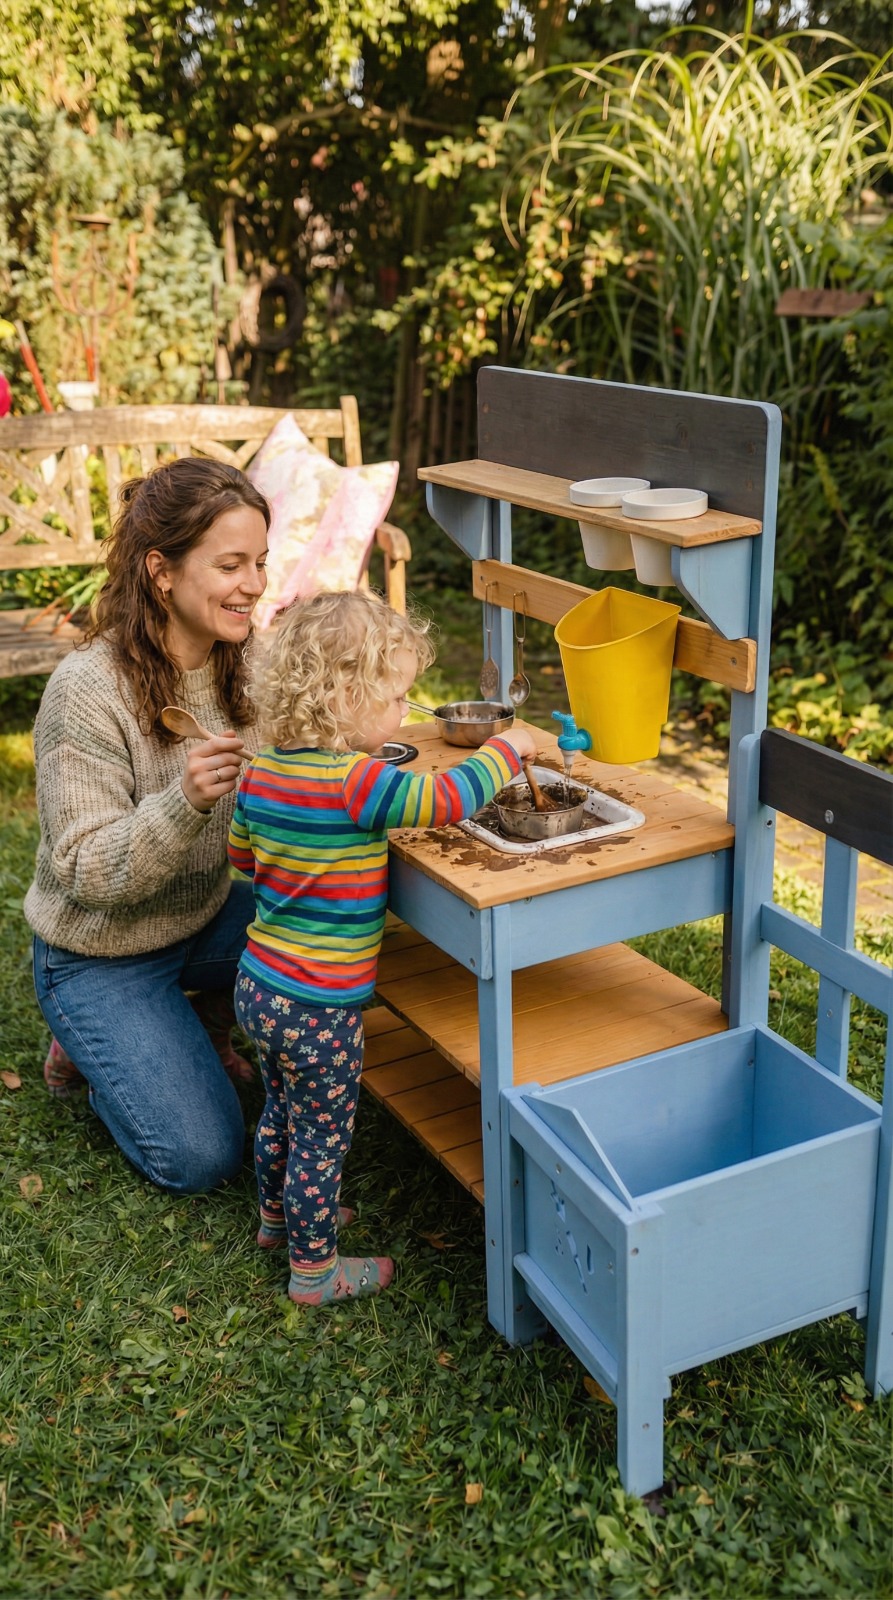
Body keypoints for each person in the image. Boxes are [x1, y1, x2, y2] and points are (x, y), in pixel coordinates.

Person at [228, 588, 538, 1305]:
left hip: (258, 987)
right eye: (396, 697)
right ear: (342, 695)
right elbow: (446, 800)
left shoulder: (260, 771)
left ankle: (277, 1217)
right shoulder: (358, 782)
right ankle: (313, 1270)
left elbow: (244, 864)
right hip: (319, 1007)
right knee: (321, 1137)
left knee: (280, 1109)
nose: (406, 711)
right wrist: (506, 747)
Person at [25, 456, 271, 1193]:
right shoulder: (88, 690)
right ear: (162, 572)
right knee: (201, 1157)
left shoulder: (244, 659)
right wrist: (184, 801)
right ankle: (93, 1043)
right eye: (231, 565)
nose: (254, 585)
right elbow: (84, 868)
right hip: (99, 953)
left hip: (201, 916)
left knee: (341, 909)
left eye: (260, 562)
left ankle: (193, 1024)